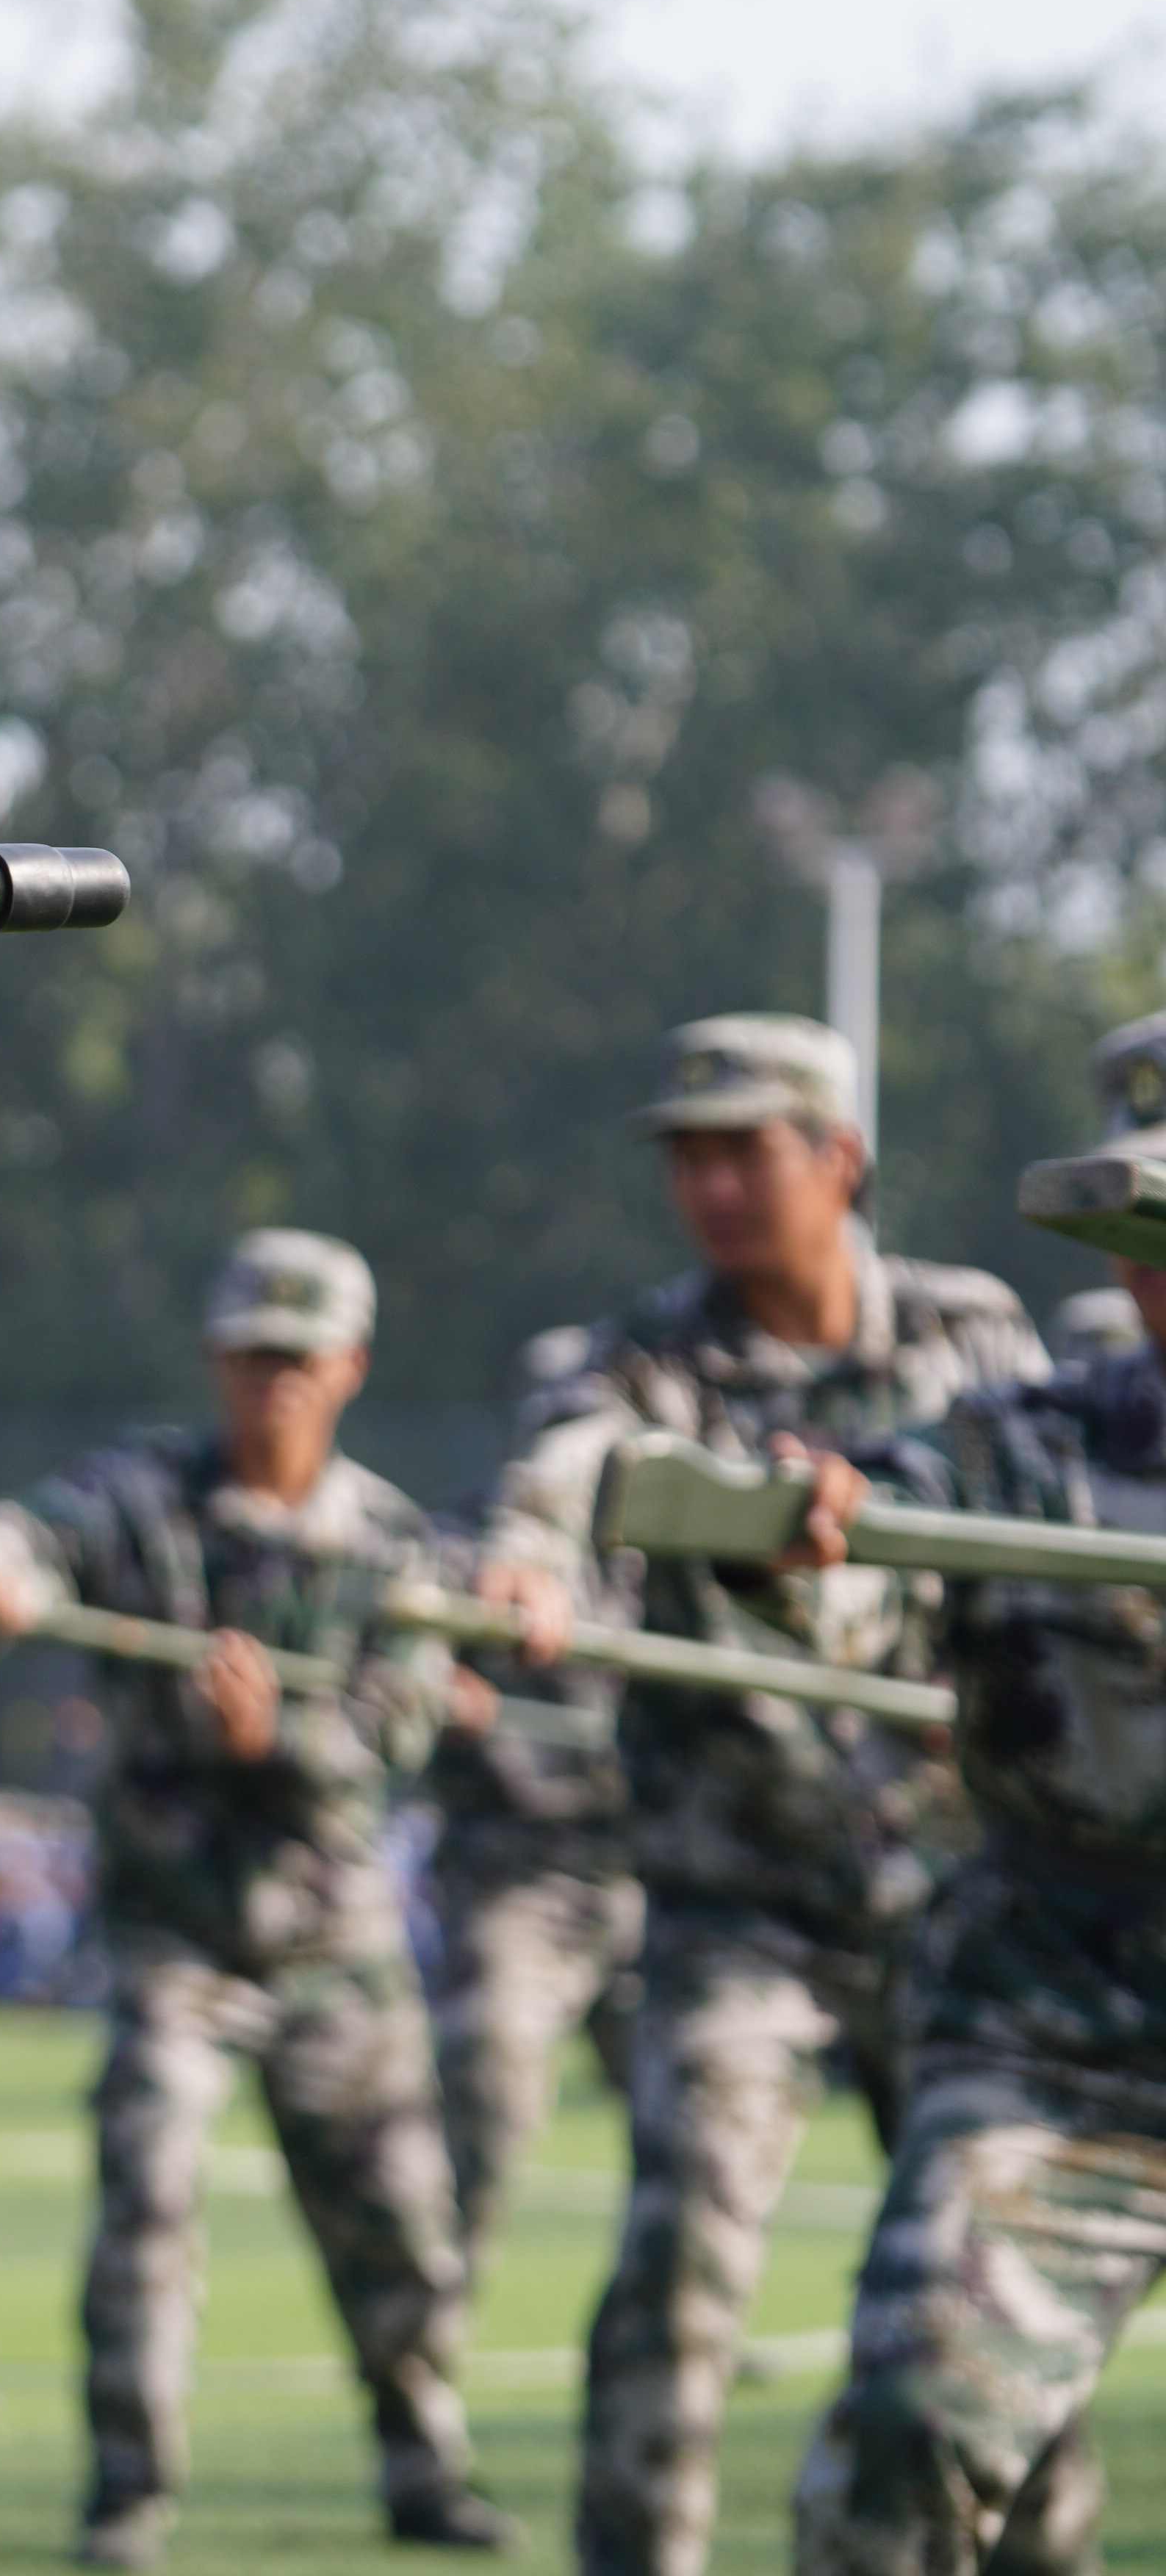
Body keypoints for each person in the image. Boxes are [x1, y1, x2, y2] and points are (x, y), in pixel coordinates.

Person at [486, 1015, 1043, 2576]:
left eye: (746, 1152)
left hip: (959, 1904)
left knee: (997, 2313)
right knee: (677, 2275)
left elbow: (1045, 1502)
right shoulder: (640, 1360)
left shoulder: (971, 1332)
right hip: (739, 1911)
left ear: (840, 1159)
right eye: (690, 1158)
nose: (714, 1188)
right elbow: (571, 1461)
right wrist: (528, 1562)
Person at [0, 1234, 509, 2569]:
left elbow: (395, 1735)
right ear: (215, 1361)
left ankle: (425, 2467)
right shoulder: (144, 1498)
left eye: (299, 1360)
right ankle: (129, 2495)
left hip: (332, 1935)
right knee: (147, 2200)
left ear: (350, 1368)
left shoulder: (392, 1550)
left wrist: (274, 1739)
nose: (274, 1383)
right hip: (173, 1935)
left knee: (399, 2226)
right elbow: (32, 1533)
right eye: (252, 1357)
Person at [780, 1010, 1166, 2574]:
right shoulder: (1022, 1449)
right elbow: (865, 1553)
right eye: (1138, 1233)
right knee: (908, 2434)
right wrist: (806, 1532)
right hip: (1058, 2033)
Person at [425, 1320, 642, 2303]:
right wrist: (439, 1690)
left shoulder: (666, 1548)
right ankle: (438, 2300)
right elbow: (397, 1665)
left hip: (658, 1862)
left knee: (697, 2112)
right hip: (519, 1869)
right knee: (488, 2078)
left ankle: (671, 2314)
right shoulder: (463, 1546)